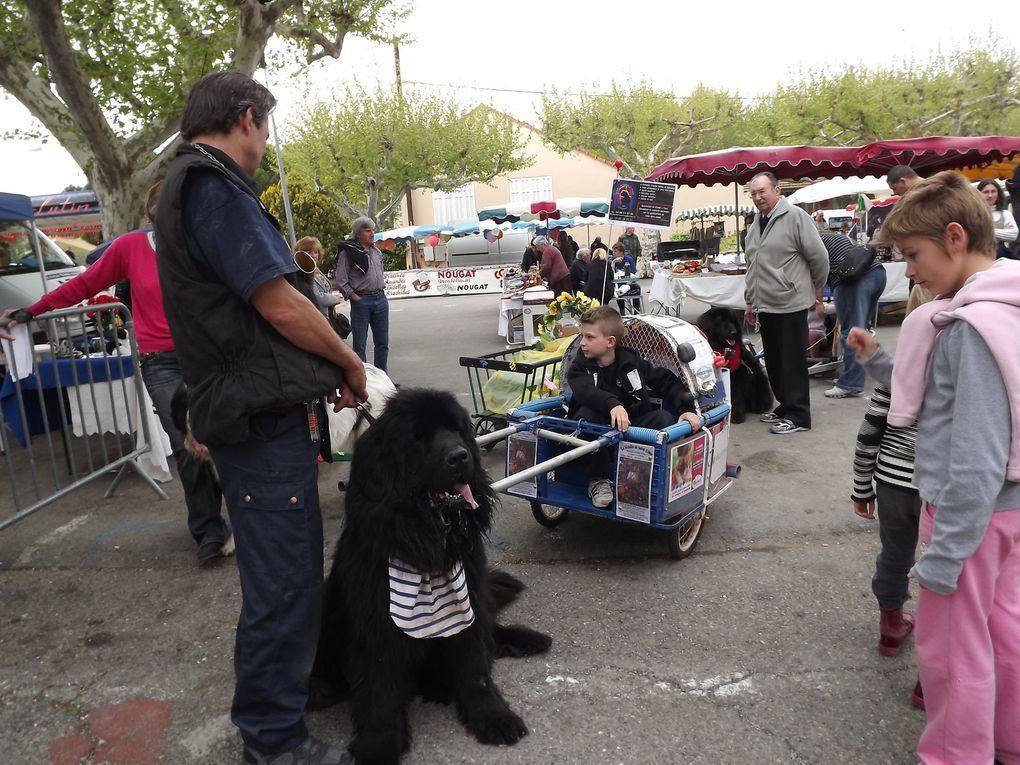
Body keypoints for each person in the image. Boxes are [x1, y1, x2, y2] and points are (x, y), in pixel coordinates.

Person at [152, 71, 366, 765]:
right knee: (282, 582)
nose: (264, 141)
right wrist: (348, 361)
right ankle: (273, 739)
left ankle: (291, 692)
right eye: (264, 127)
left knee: (290, 572)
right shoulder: (211, 187)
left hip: (249, 407)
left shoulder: (185, 187)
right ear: (245, 118)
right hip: (256, 420)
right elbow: (280, 304)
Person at [848, 170, 1020, 764]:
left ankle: (954, 754)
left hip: (967, 516)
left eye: (913, 256)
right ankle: (1007, 742)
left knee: (953, 652)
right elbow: (949, 399)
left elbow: (976, 449)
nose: (910, 271)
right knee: (1006, 637)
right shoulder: (1007, 308)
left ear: (953, 237)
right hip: (1010, 514)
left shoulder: (969, 328)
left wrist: (945, 553)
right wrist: (879, 364)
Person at [3, 182, 233, 564]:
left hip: (207, 358)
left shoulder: (203, 245)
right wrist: (35, 310)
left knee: (219, 438)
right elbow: (84, 283)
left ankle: (237, 518)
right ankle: (209, 531)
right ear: (152, 214)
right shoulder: (129, 247)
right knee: (188, 446)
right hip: (160, 362)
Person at [850, 286, 934, 671]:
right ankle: (934, 663)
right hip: (940, 488)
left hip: (894, 487)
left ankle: (890, 625)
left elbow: (869, 435)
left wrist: (861, 488)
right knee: (943, 568)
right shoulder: (962, 370)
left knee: (895, 555)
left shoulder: (897, 374)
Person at [566, 306, 701, 507]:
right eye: (582, 336)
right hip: (597, 429)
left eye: (589, 337)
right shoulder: (580, 366)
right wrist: (612, 404)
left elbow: (663, 380)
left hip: (629, 425)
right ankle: (598, 478)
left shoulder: (631, 361)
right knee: (586, 416)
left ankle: (645, 471)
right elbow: (586, 391)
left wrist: (686, 408)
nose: (583, 343)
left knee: (663, 418)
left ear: (610, 342)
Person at [743, 171, 829, 435]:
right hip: (766, 304)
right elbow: (753, 266)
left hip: (790, 302)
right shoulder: (757, 223)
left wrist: (816, 291)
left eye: (763, 192)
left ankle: (800, 414)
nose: (758, 198)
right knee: (775, 361)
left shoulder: (796, 218)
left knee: (792, 362)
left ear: (777, 191)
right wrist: (750, 302)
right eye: (754, 193)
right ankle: (785, 405)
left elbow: (819, 258)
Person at [819, 232, 887, 399]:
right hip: (877, 273)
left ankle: (850, 383)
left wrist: (818, 302)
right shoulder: (834, 236)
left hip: (852, 279)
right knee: (861, 330)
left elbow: (816, 273)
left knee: (850, 332)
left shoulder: (811, 241)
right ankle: (854, 374)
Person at [335, 217, 389, 372]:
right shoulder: (348, 253)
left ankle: (382, 378)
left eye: (373, 230)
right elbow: (341, 279)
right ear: (358, 234)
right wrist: (353, 296)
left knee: (382, 343)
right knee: (360, 345)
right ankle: (364, 380)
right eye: (368, 230)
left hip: (380, 298)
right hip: (362, 301)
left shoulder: (375, 251)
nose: (372, 233)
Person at [294, 236, 343, 318]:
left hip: (326, 314)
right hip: (314, 316)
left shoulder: (316, 270)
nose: (313, 256)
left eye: (315, 252)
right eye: (309, 252)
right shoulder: (304, 272)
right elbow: (315, 296)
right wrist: (335, 298)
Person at [976, 179, 1018, 259]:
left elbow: (1013, 235)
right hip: (981, 258)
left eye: (993, 191)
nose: (990, 195)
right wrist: (1003, 232)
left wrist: (986, 231)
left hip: (1001, 256)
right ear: (978, 194)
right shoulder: (973, 214)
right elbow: (974, 236)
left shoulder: (1005, 213)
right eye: (986, 192)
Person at [611, 241, 640, 313]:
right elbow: (610, 273)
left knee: (637, 286)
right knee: (618, 287)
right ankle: (622, 310)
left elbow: (633, 272)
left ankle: (636, 310)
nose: (613, 253)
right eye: (613, 251)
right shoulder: (612, 260)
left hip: (628, 282)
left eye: (615, 251)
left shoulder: (628, 259)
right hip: (617, 283)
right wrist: (613, 263)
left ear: (621, 252)